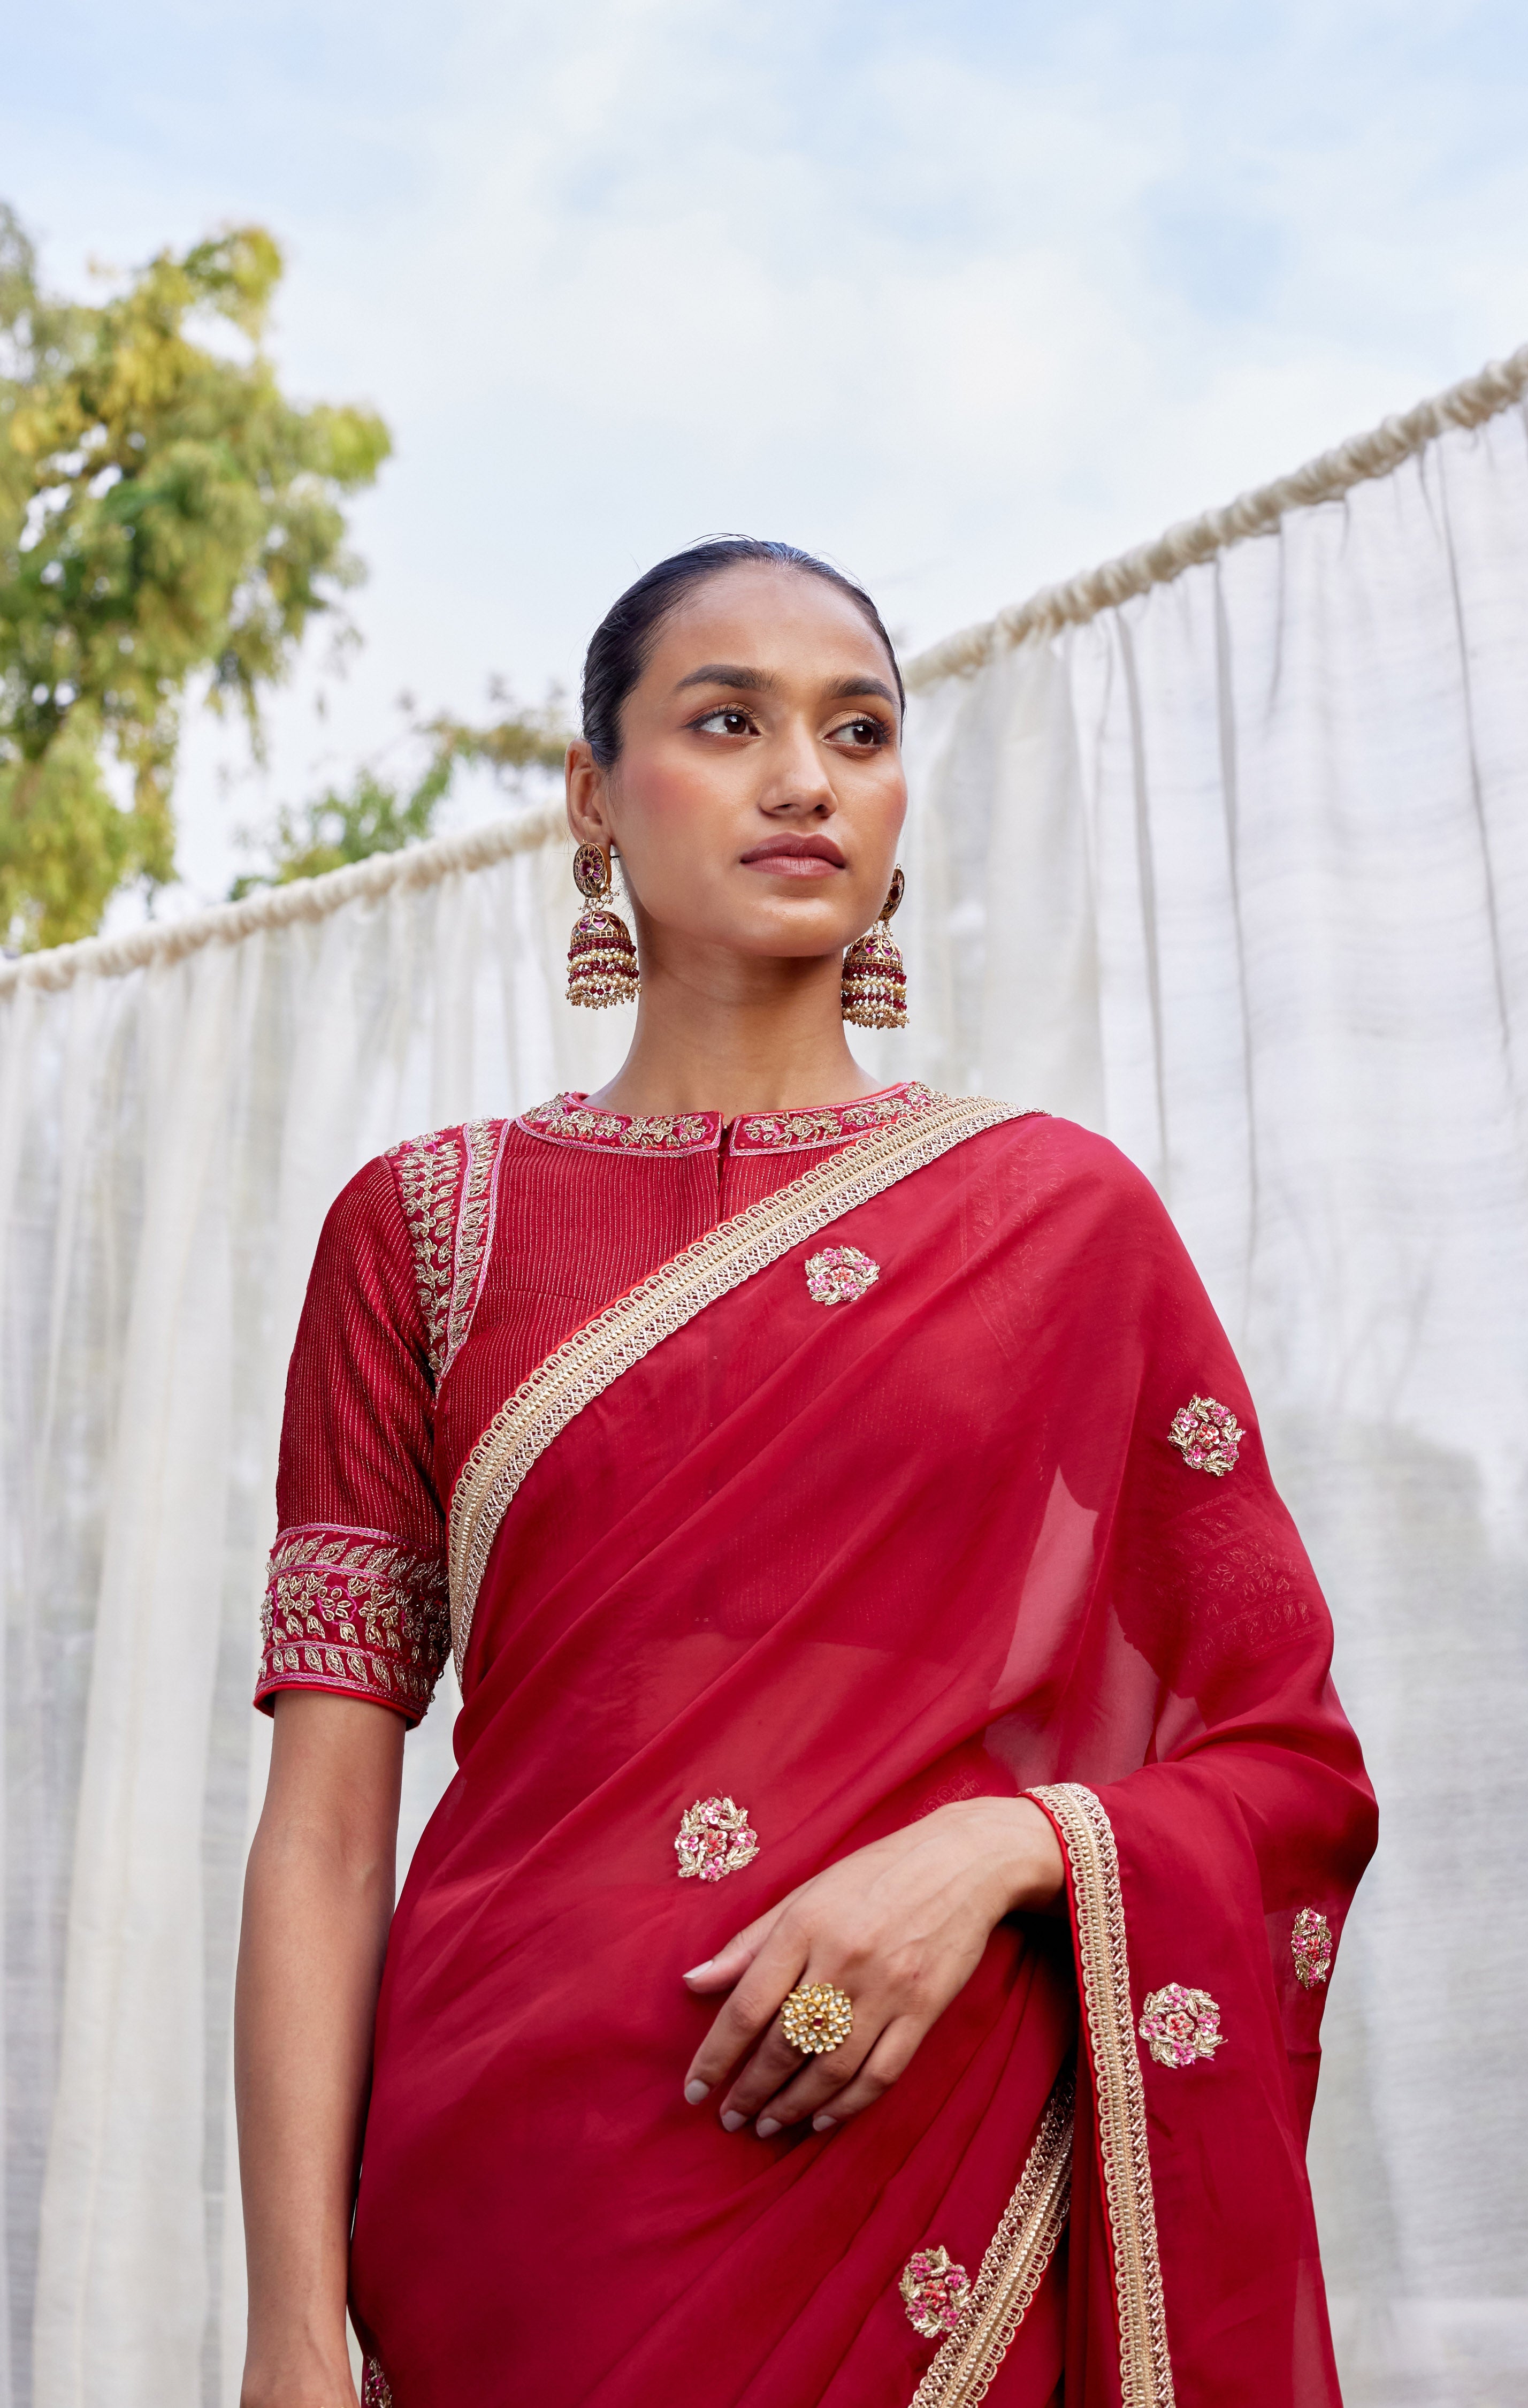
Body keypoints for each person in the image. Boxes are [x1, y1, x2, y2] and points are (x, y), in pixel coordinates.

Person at [235, 537, 1376, 2408]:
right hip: (523, 2191)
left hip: (926, 2179)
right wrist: (290, 2333)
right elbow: (329, 1824)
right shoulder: (427, 1232)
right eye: (728, 719)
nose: (804, 776)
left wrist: (1007, 1846)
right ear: (593, 796)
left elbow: (1284, 1757)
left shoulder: (1056, 1219)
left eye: (857, 728)